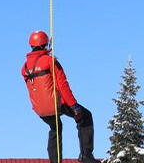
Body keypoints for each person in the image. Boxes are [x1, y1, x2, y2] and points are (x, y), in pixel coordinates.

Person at [22, 30, 100, 163]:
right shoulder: (50, 61)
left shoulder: (24, 68)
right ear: (45, 44)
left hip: (40, 109)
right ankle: (86, 155)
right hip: (56, 103)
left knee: (55, 127)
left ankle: (55, 160)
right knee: (85, 117)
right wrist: (73, 106)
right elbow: (62, 84)